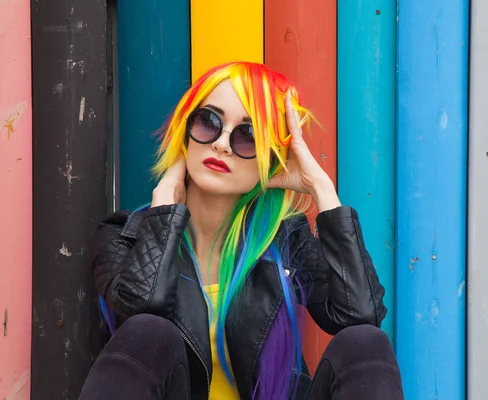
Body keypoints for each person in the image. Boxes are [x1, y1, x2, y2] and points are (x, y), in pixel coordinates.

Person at [79, 62, 403, 400]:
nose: (220, 144)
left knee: (365, 342)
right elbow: (142, 311)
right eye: (209, 122)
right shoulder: (124, 236)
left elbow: (359, 314)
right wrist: (164, 210)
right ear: (185, 129)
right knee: (147, 331)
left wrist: (321, 188)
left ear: (271, 160)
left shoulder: (286, 242)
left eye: (247, 136)